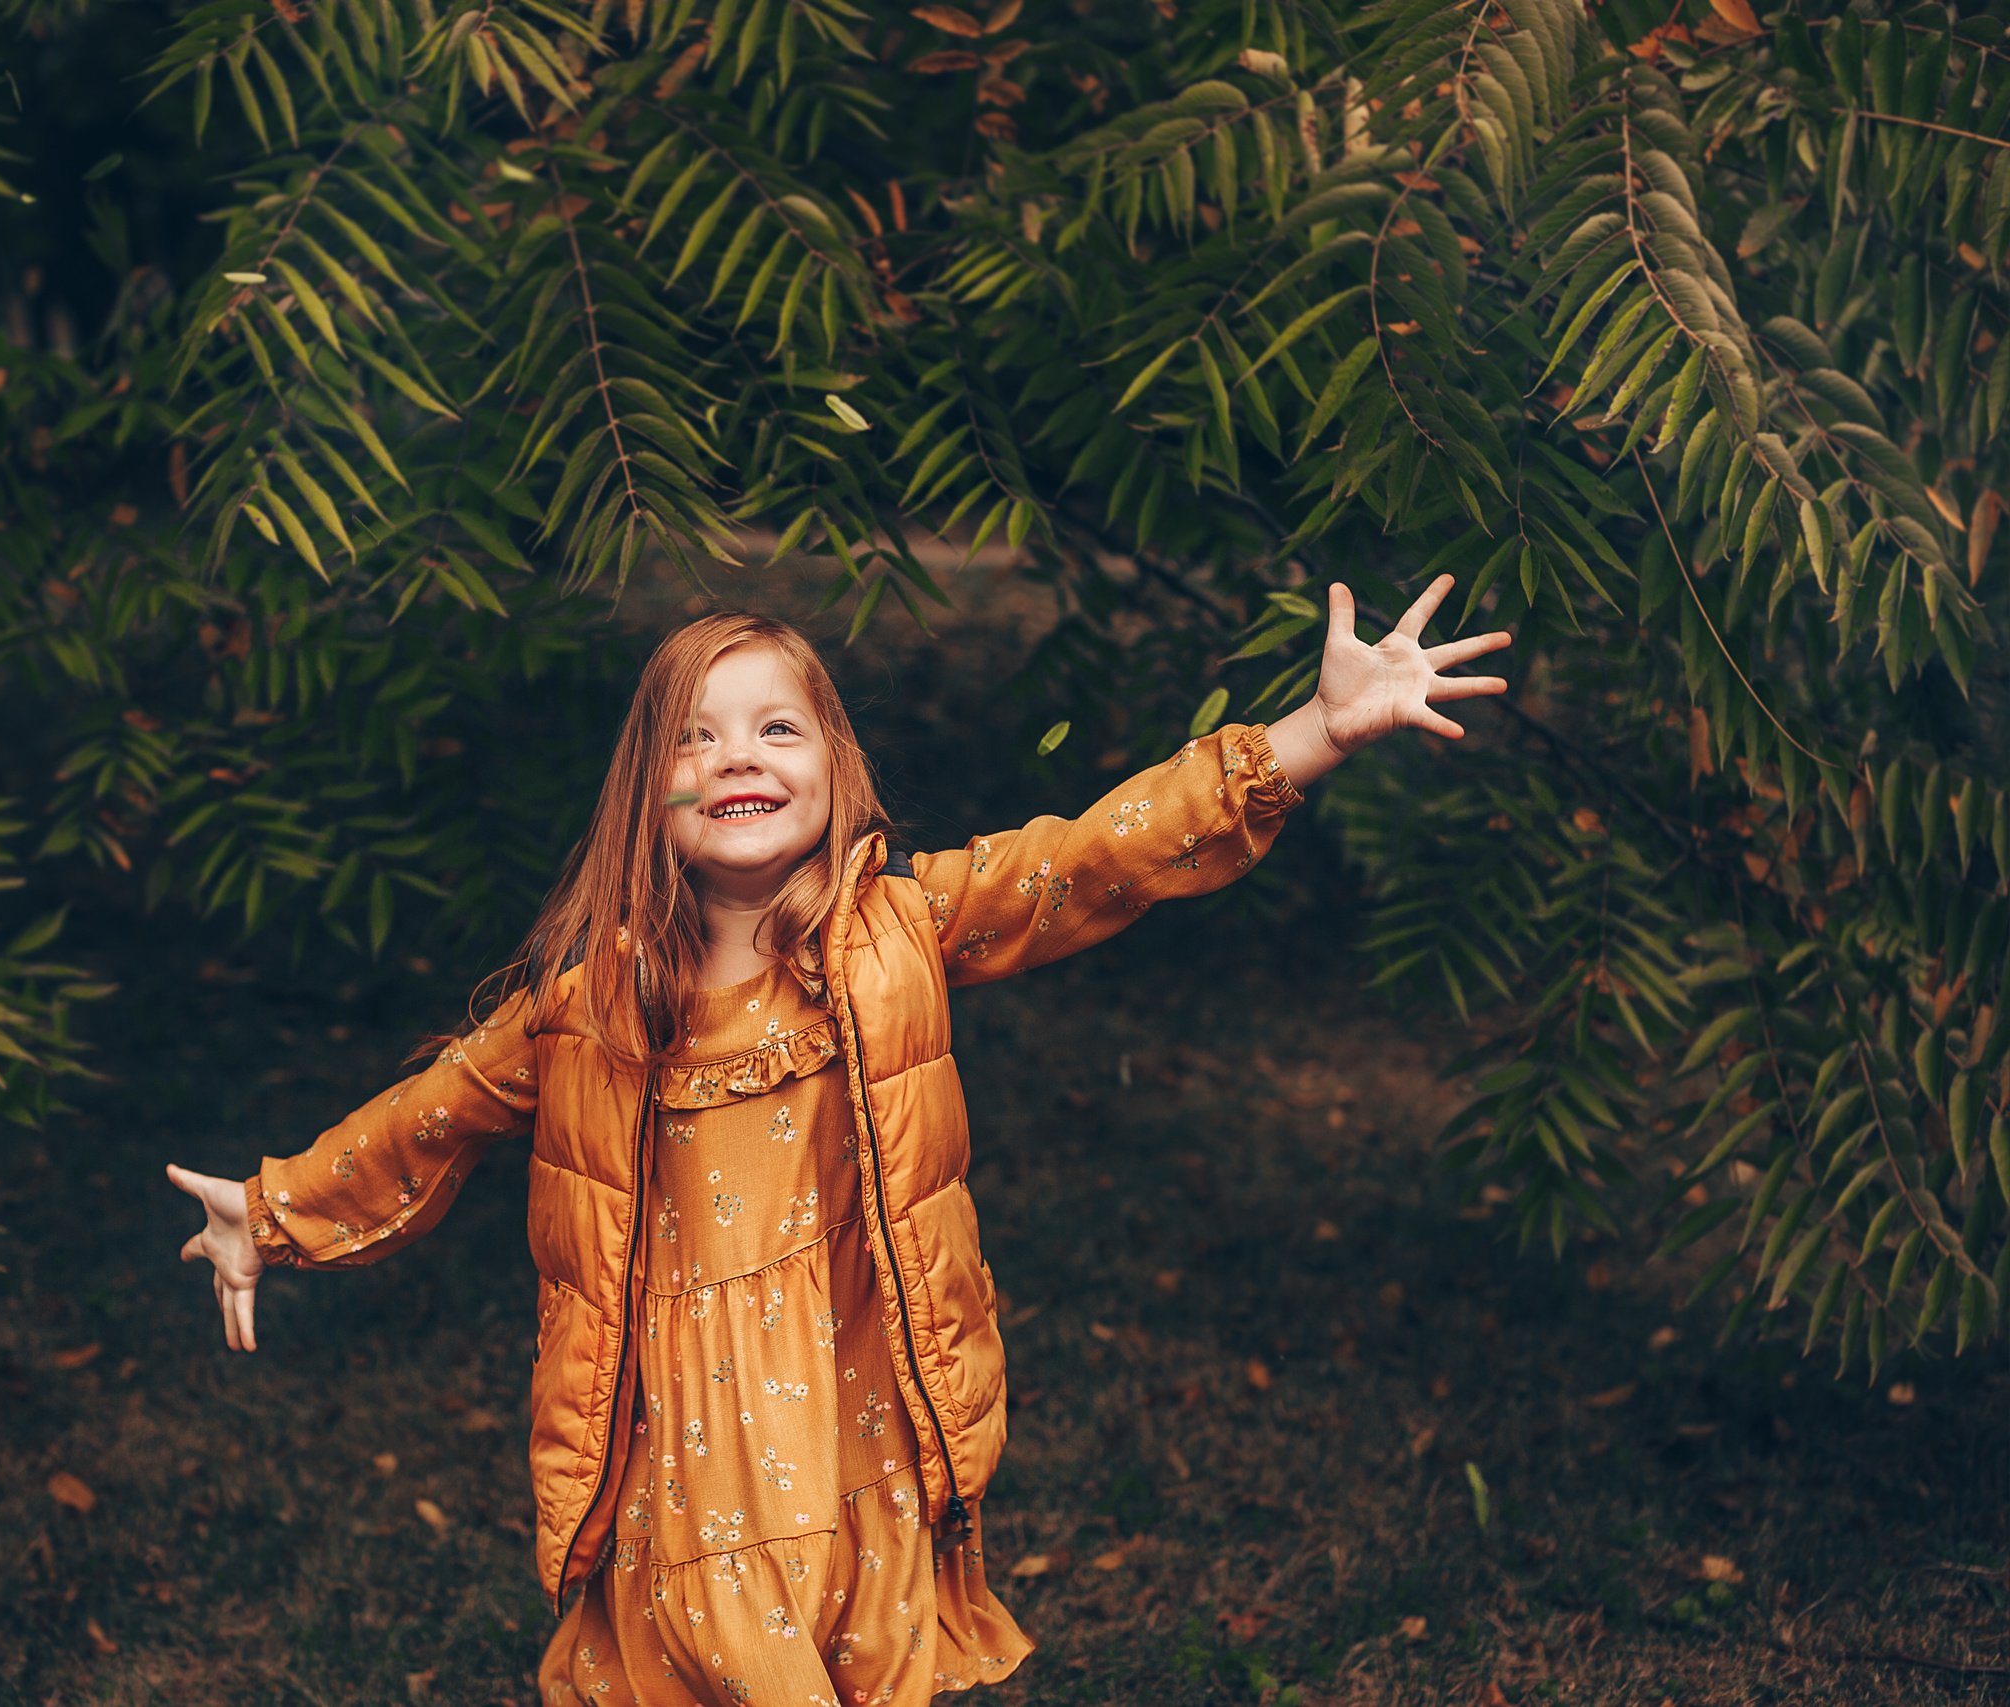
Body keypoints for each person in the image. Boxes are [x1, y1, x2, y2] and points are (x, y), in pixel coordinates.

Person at [168, 578, 1509, 1705]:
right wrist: (276, 1210)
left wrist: (1314, 734)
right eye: (697, 740)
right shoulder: (596, 1003)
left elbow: (1098, 856)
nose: (738, 758)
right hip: (690, 1423)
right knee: (734, 1656)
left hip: (859, 1386)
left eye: (775, 729)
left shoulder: (904, 929)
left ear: (835, 766)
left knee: (853, 1652)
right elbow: (436, 1113)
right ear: (651, 791)